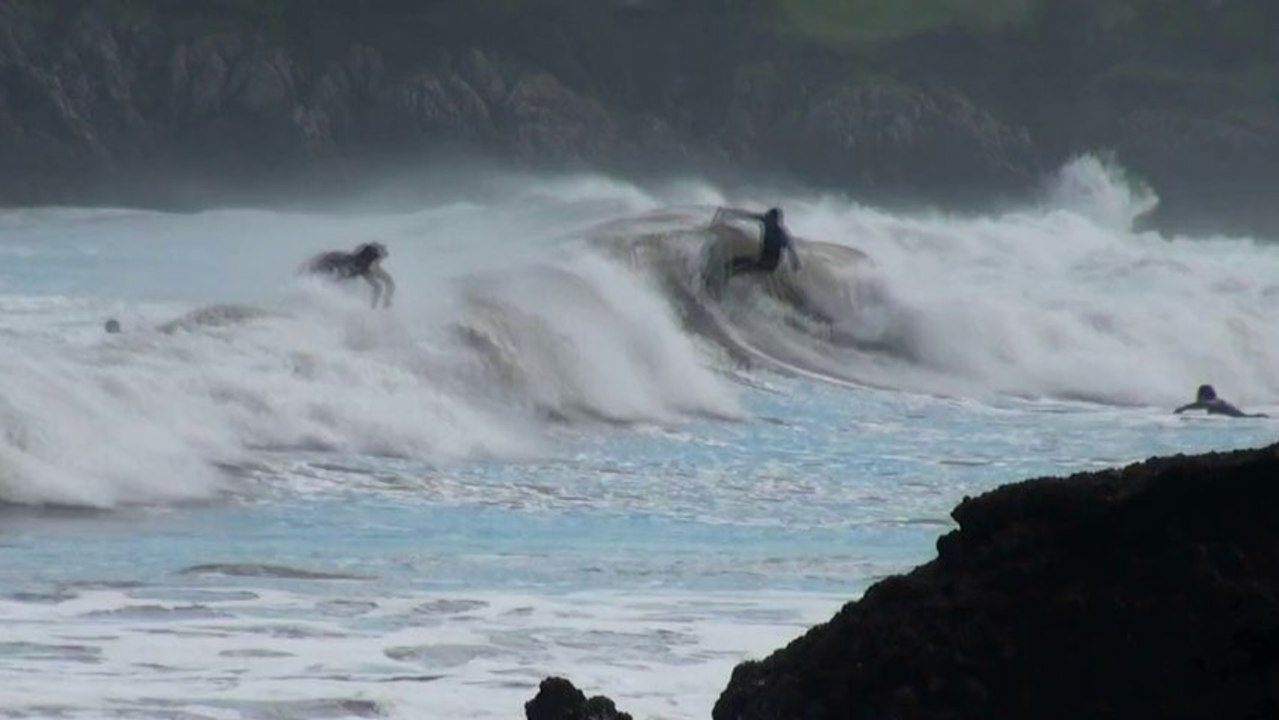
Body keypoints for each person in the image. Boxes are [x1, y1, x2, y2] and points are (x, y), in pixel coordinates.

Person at [301, 242, 396, 309]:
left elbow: (383, 285)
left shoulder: (364, 268)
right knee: (324, 283)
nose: (379, 264)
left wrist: (385, 301)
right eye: (377, 261)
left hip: (328, 263)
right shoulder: (354, 265)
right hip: (324, 264)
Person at [715, 207, 801, 277]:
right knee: (732, 263)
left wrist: (795, 262)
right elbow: (749, 215)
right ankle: (719, 279)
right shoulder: (765, 221)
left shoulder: (780, 234)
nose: (768, 219)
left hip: (770, 265)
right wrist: (729, 212)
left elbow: (790, 247)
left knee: (738, 269)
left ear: (777, 221)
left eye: (771, 218)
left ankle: (720, 286)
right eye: (768, 216)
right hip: (760, 259)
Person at [1174, 384, 1269, 418]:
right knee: (1247, 417)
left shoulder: (1213, 402)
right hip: (1238, 416)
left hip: (1237, 417)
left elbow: (1202, 404)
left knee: (1247, 417)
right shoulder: (1217, 401)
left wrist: (1184, 408)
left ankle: (1259, 416)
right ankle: (1259, 416)